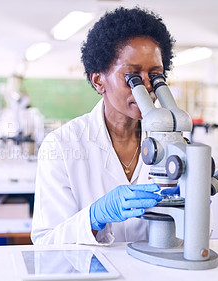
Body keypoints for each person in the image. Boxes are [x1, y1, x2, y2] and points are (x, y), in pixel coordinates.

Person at [31, 6, 175, 245]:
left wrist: (194, 208)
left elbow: (199, 235)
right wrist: (93, 218)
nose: (147, 86)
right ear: (99, 81)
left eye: (156, 75)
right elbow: (46, 241)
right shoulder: (61, 145)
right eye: (133, 77)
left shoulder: (173, 139)